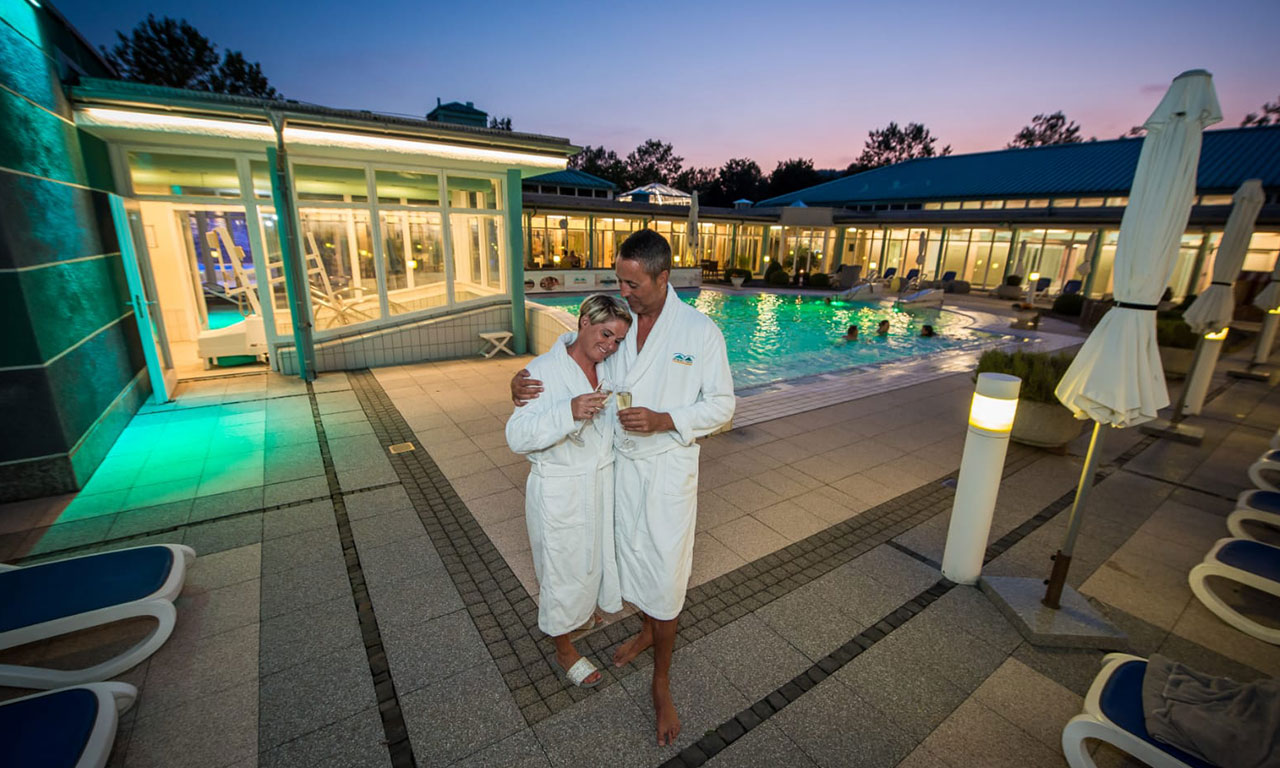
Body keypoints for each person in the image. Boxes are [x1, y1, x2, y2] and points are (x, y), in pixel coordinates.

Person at [511, 230, 735, 746]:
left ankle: (661, 682)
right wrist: (521, 380)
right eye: (619, 281)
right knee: (619, 563)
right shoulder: (622, 324)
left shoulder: (700, 333)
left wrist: (666, 419)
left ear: (663, 278)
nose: (624, 291)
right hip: (613, 472)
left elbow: (723, 405)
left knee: (666, 575)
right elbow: (576, 347)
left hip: (663, 477)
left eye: (632, 283)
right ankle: (640, 630)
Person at [505, 295, 631, 689]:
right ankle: (563, 647)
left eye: (618, 340)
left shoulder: (609, 368)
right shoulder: (541, 371)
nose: (610, 345)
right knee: (560, 568)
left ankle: (585, 611)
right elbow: (517, 436)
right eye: (605, 333)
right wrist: (568, 412)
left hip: (597, 482)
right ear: (582, 322)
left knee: (592, 555)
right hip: (560, 488)